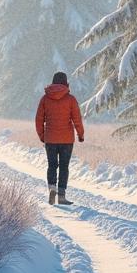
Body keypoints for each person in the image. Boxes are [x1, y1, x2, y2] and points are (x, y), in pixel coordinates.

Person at [35, 72, 84, 205]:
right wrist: (80, 134)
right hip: (67, 140)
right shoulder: (71, 99)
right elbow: (77, 119)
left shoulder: (45, 99)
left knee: (52, 165)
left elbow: (39, 119)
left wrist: (42, 135)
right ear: (66, 83)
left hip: (50, 139)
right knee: (64, 166)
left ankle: (52, 188)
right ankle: (61, 196)